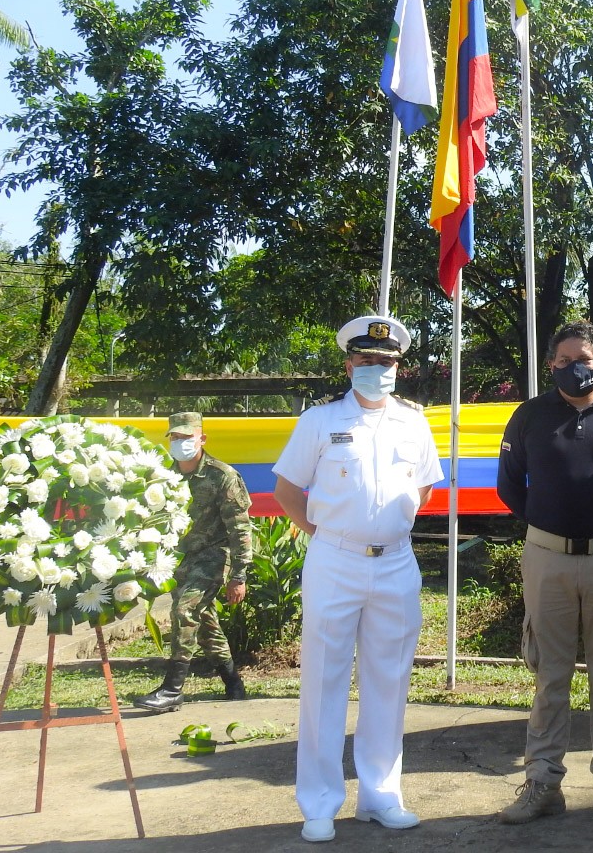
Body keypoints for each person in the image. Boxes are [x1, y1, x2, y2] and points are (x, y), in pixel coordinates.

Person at [271, 314, 443, 844]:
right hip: (335, 560)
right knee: (323, 681)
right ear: (349, 364)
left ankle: (380, 796)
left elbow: (425, 489)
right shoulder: (319, 422)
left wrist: (385, 531)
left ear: (399, 368)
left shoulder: (414, 423)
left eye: (386, 362)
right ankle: (319, 803)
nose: (377, 369)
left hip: (395, 562)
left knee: (388, 681)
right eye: (367, 361)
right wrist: (329, 535)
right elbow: (287, 490)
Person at [495, 320, 593, 824]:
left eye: (583, 359)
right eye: (563, 361)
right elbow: (509, 488)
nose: (574, 368)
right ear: (550, 365)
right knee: (549, 673)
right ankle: (542, 781)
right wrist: (552, 525)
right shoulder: (529, 416)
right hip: (547, 558)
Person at [137, 410, 252, 713]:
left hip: (214, 555)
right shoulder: (162, 475)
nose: (180, 442)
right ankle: (234, 684)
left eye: (187, 437)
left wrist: (238, 576)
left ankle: (172, 689)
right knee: (203, 622)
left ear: (202, 438)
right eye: (175, 437)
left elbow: (240, 528)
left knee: (184, 610)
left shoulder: (222, 476)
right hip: (179, 558)